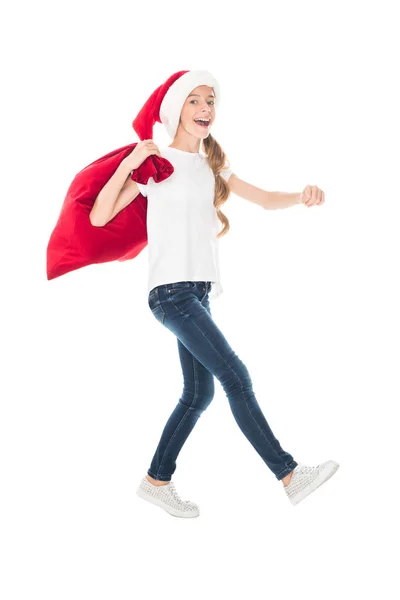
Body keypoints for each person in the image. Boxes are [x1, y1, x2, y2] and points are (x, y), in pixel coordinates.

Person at [90, 70, 339, 518]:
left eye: (211, 101)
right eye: (195, 101)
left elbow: (262, 198)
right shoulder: (156, 163)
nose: (206, 108)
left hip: (197, 294)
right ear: (176, 110)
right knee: (236, 377)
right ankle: (289, 475)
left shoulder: (210, 165)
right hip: (171, 293)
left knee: (197, 394)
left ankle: (157, 480)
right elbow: (99, 215)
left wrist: (301, 196)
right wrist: (129, 165)